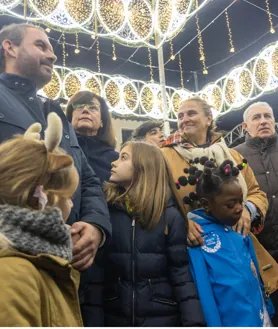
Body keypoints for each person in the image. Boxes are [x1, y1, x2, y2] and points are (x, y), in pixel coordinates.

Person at [0, 23, 111, 326]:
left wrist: (95, 226)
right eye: (41, 46)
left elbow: (86, 179)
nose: (52, 55)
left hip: (66, 268)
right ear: (9, 47)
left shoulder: (56, 112)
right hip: (14, 269)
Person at [102, 141, 206, 327]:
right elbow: (97, 276)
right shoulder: (107, 212)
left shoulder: (169, 216)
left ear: (144, 166)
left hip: (162, 317)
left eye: (123, 157)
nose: (113, 163)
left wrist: (194, 322)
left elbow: (180, 275)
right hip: (115, 316)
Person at [0, 113, 83, 326]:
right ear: (45, 197)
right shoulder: (15, 274)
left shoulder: (40, 261)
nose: (71, 204)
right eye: (68, 196)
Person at [161, 96, 267, 246]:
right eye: (180, 116)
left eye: (191, 113)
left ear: (208, 119)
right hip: (193, 243)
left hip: (235, 240)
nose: (185, 119)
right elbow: (155, 199)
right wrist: (181, 222)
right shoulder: (164, 156)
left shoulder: (233, 155)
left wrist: (247, 210)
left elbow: (256, 193)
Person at [185, 158, 274, 326]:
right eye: (231, 204)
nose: (240, 208)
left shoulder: (239, 226)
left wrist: (267, 308)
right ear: (206, 204)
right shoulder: (198, 236)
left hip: (260, 319)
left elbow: (255, 272)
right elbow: (205, 294)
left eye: (241, 201)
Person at [235, 102, 278, 326]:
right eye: (257, 117)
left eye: (267, 116)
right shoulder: (234, 158)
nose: (263, 121)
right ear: (245, 126)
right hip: (259, 251)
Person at [66, 90, 118, 184]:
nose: (85, 110)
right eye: (79, 106)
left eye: (93, 107)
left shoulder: (115, 160)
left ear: (102, 121)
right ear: (70, 118)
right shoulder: (60, 150)